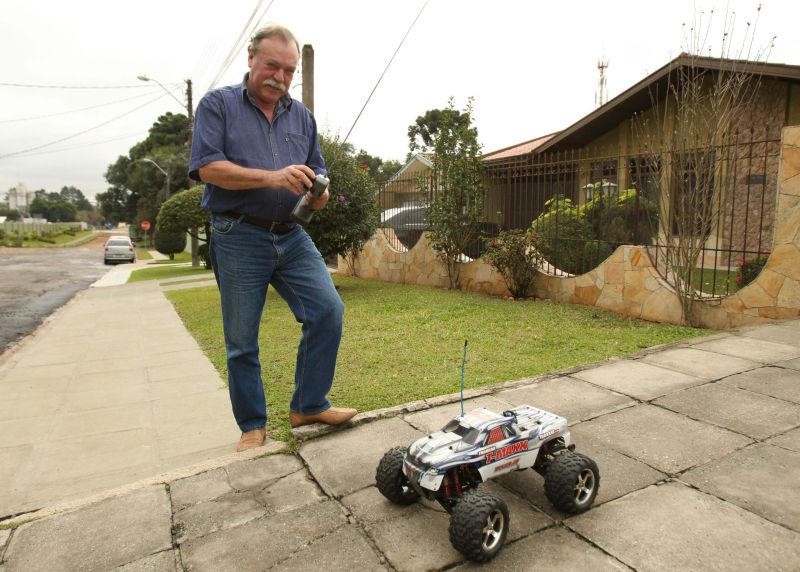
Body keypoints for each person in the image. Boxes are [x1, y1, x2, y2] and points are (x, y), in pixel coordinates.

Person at [189, 23, 356, 452]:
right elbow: (208, 168)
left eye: (288, 70)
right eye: (271, 66)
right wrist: (273, 177)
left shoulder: (301, 116)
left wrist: (317, 193)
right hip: (237, 234)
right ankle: (252, 425)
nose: (279, 77)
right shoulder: (217, 106)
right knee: (242, 340)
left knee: (327, 311)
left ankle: (308, 404)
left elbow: (317, 171)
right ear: (251, 59)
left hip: (292, 235)